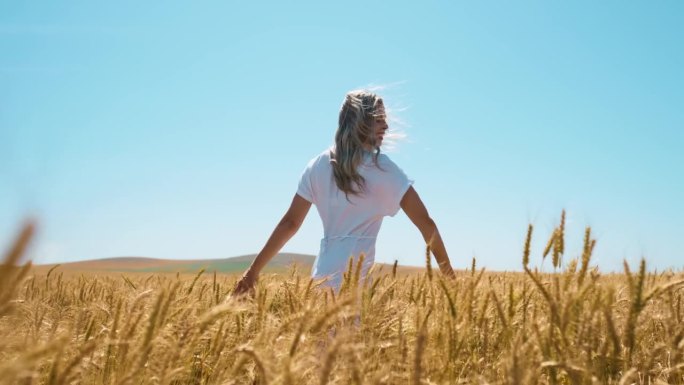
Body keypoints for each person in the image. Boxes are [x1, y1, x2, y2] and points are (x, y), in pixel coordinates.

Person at [233, 90, 455, 295]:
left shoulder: (318, 165)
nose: (386, 126)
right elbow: (426, 223)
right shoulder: (383, 169)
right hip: (355, 290)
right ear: (360, 122)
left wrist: (252, 272)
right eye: (379, 119)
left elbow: (290, 223)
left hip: (320, 282)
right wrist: (451, 282)